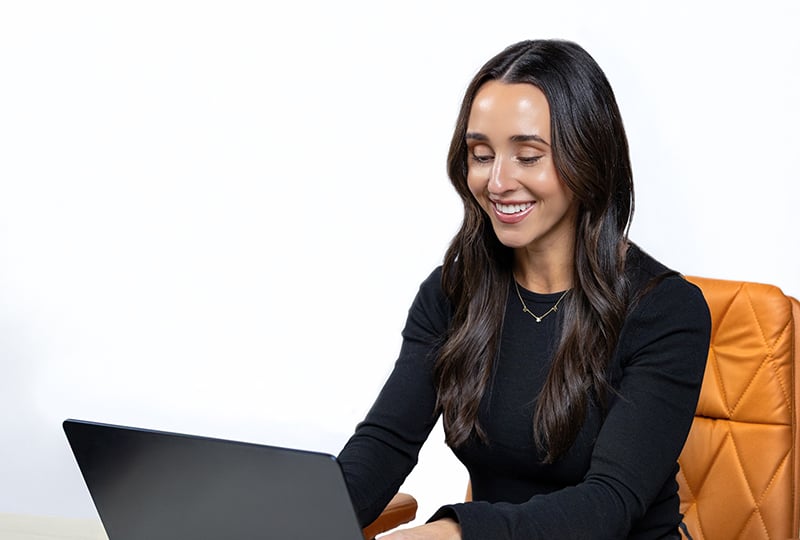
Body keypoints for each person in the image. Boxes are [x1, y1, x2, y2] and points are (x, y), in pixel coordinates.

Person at [337, 39, 711, 540]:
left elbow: (610, 502)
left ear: (588, 157)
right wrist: (293, 515)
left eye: (528, 156)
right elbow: (385, 445)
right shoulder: (453, 293)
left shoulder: (665, 312)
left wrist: (456, 532)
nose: (497, 181)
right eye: (481, 154)